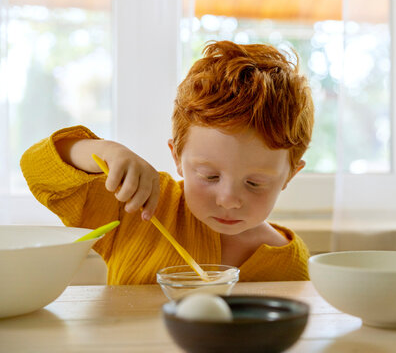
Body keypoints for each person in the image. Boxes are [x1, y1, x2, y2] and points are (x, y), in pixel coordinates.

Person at [20, 40, 314, 285]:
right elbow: (37, 167)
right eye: (209, 176)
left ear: (290, 174)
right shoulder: (139, 204)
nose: (228, 200)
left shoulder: (288, 263)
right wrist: (105, 152)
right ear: (176, 156)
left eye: (255, 183)